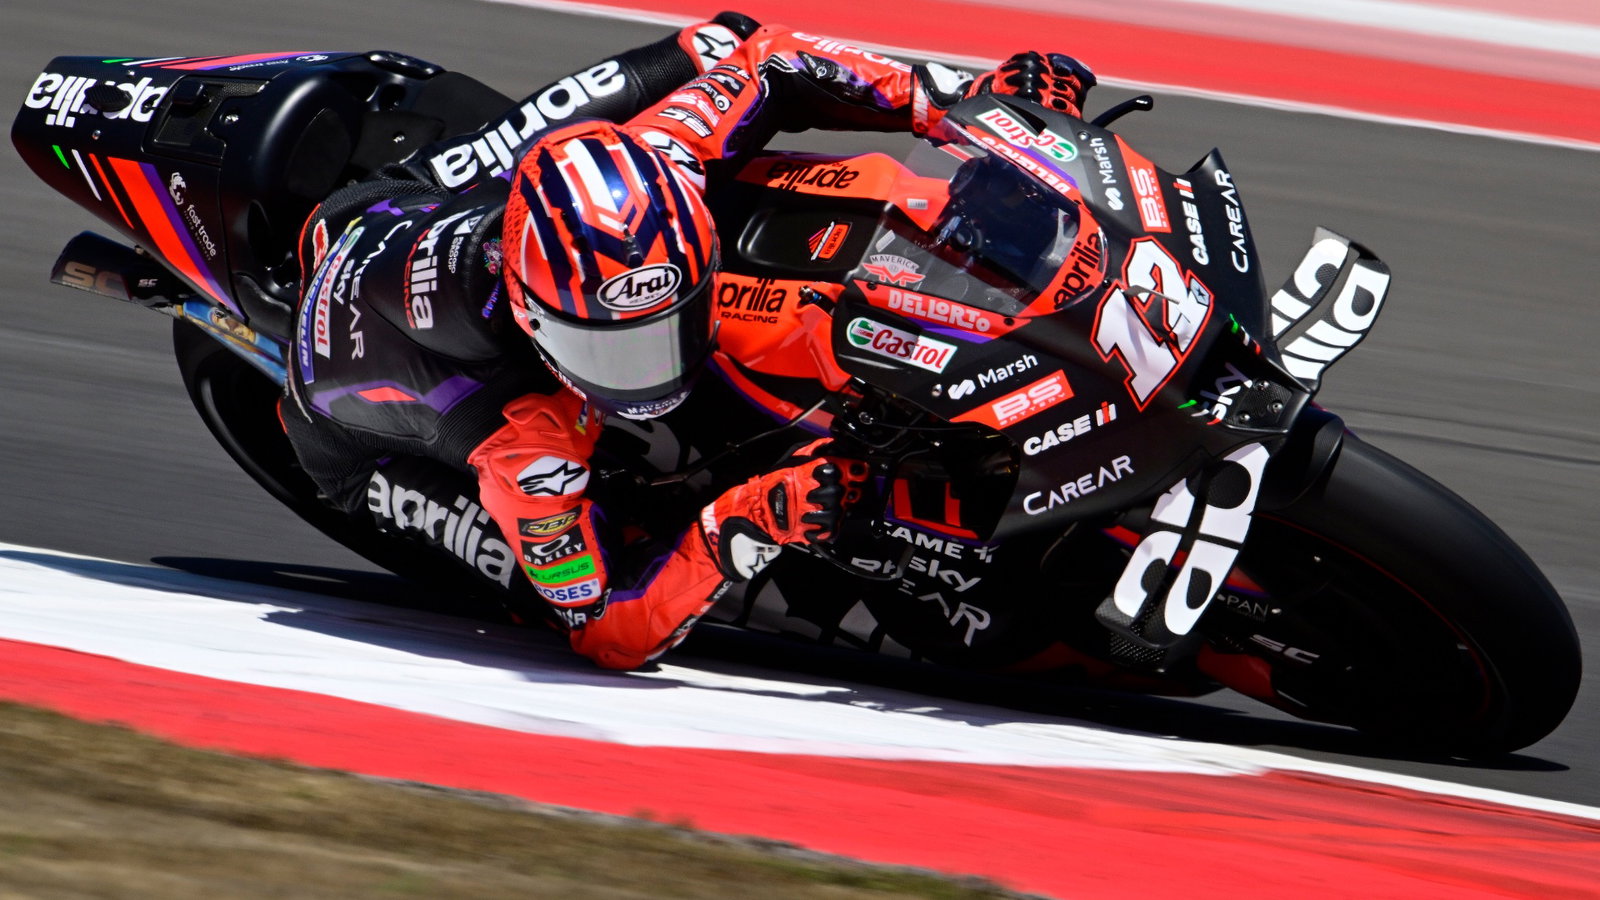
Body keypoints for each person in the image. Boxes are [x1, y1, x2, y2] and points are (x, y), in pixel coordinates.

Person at [282, 12, 1096, 670]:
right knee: (582, 567)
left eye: (667, 325)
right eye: (613, 350)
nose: (653, 372)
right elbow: (607, 628)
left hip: (417, 207)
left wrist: (965, 104)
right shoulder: (524, 441)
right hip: (347, 436)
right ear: (536, 319)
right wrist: (747, 519)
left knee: (722, 39)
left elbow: (775, 58)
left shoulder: (665, 153)